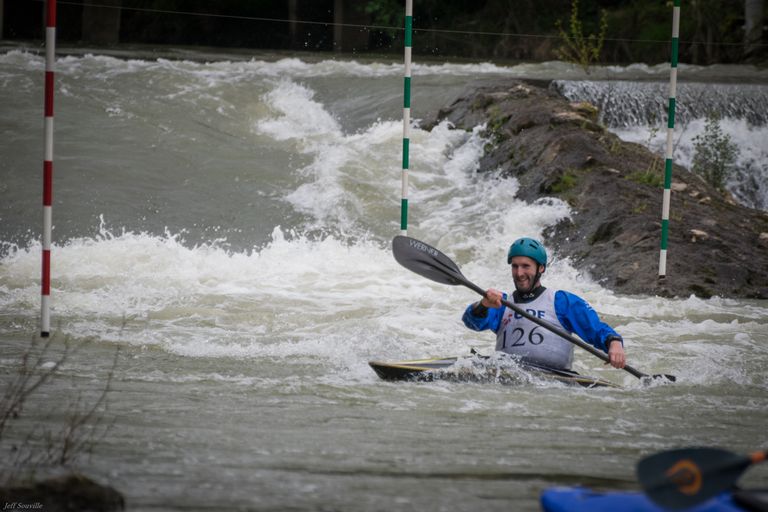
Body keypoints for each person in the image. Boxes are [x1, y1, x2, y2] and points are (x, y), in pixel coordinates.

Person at [462, 237, 626, 371]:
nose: (519, 273)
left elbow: (595, 329)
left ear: (540, 268)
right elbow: (472, 322)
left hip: (554, 379)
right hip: (509, 376)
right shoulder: (501, 303)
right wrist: (483, 304)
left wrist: (614, 342)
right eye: (515, 266)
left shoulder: (561, 301)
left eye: (526, 266)